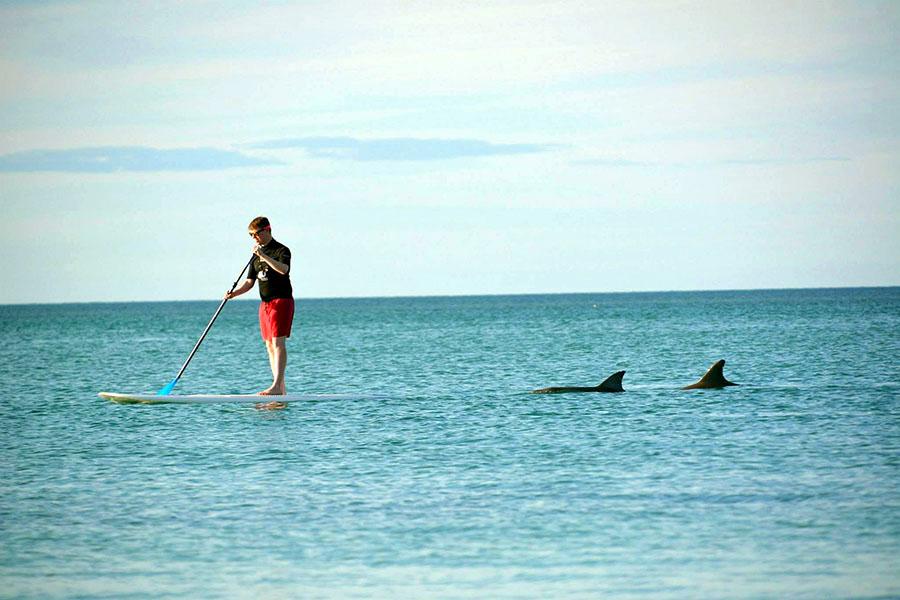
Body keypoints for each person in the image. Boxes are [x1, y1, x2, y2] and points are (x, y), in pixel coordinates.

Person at [225, 216, 295, 398]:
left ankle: (276, 385)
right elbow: (249, 283)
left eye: (256, 234)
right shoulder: (254, 258)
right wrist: (234, 294)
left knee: (278, 342)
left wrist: (263, 255)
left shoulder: (281, 250)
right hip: (265, 304)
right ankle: (280, 386)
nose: (254, 238)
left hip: (281, 301)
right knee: (269, 345)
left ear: (267, 230)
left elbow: (283, 269)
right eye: (251, 235)